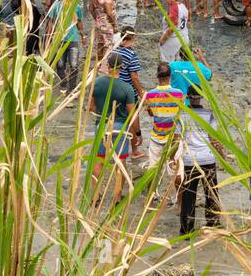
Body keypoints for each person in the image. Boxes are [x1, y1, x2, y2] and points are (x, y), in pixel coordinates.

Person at [89, 62, 139, 205]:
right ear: (122, 68)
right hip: (119, 128)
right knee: (120, 163)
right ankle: (117, 197)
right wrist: (138, 133)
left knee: (98, 160)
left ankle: (95, 196)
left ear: (108, 65)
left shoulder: (97, 83)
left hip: (102, 125)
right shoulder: (126, 88)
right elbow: (132, 114)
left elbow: (91, 107)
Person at [177, 86, 223, 235]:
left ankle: (187, 229)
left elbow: (177, 139)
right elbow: (214, 139)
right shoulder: (208, 114)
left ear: (188, 97)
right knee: (211, 192)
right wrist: (222, 154)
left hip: (190, 160)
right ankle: (213, 224)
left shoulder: (182, 115)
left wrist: (173, 158)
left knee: (189, 195)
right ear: (200, 97)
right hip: (207, 159)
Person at [143, 63, 185, 199]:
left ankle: (151, 196)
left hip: (157, 136)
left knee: (153, 167)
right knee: (176, 168)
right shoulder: (178, 94)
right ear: (170, 76)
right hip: (174, 137)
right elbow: (180, 113)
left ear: (157, 76)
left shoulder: (149, 95)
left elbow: (151, 114)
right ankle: (179, 199)